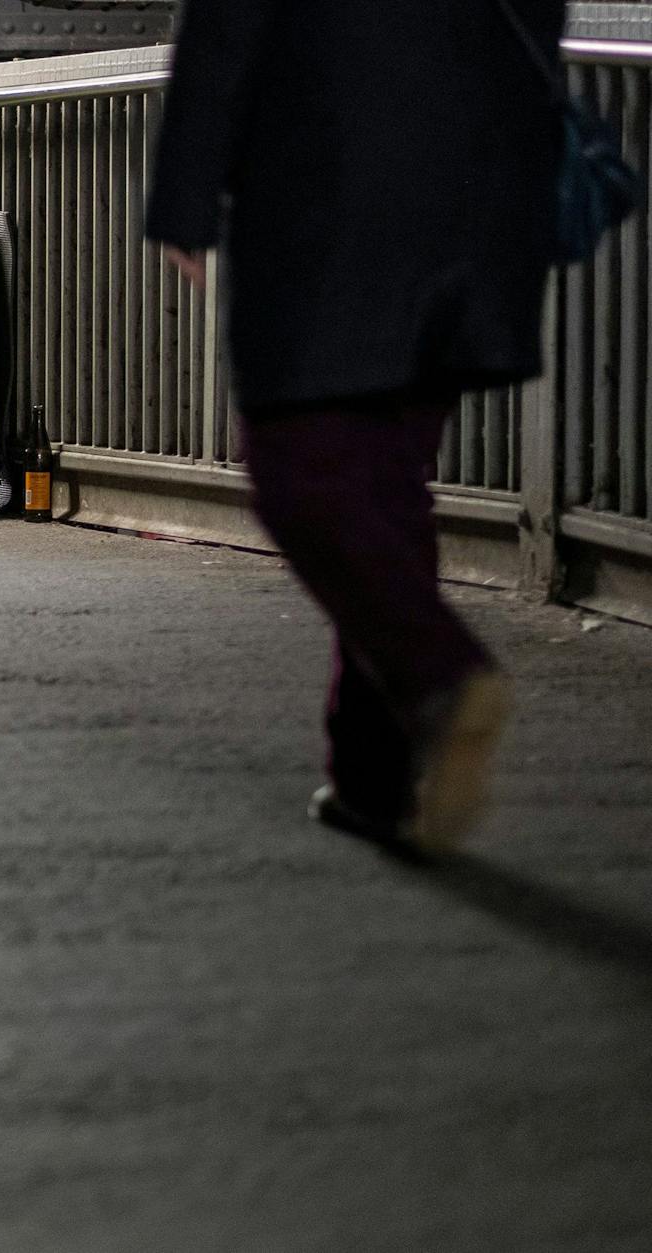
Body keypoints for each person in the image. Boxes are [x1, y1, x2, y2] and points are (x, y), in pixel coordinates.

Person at [146, 0, 569, 850]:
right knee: (383, 487)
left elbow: (229, 27)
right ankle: (373, 780)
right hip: (477, 198)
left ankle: (443, 675)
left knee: (298, 469)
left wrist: (185, 200)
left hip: (333, 193)